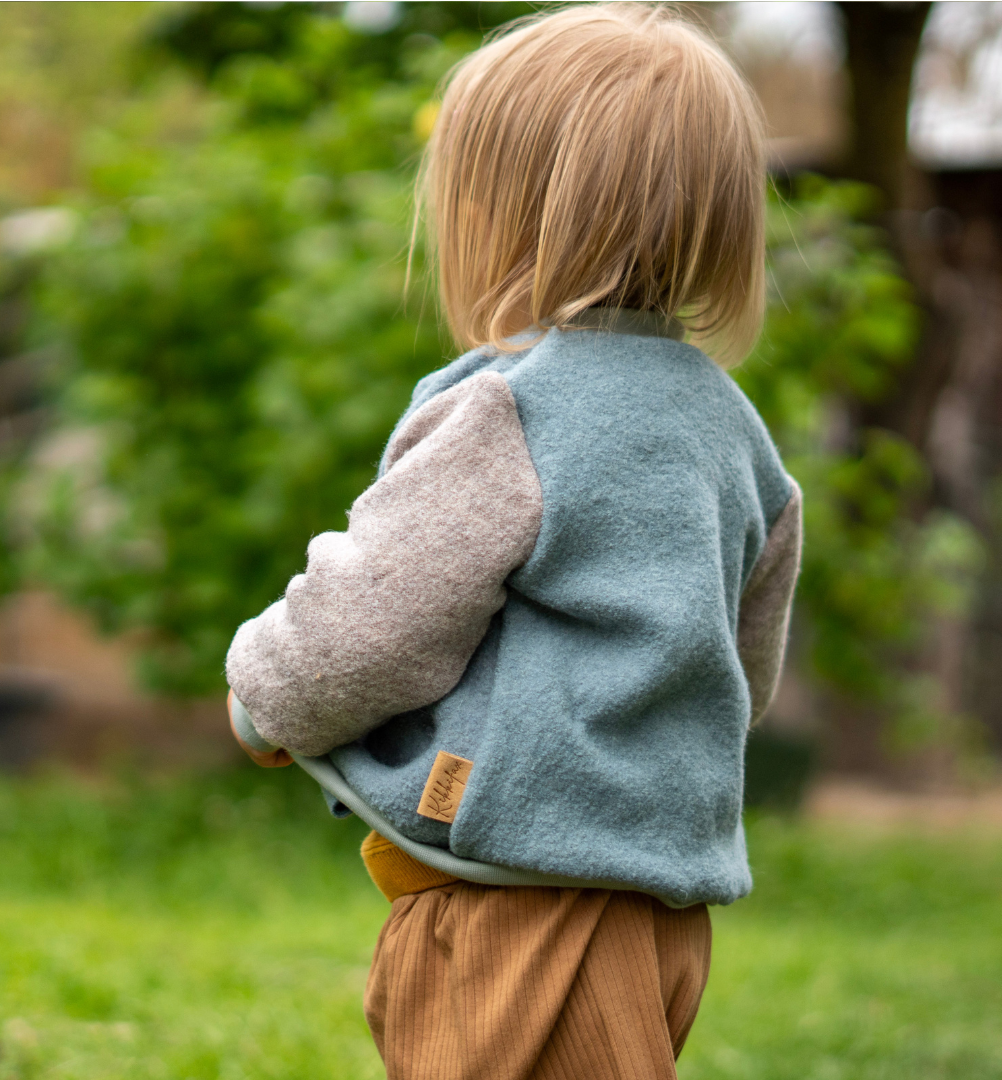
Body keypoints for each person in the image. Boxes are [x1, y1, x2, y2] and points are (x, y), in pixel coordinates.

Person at [226, 5, 802, 1078]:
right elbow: (744, 667)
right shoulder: (734, 434)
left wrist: (266, 693)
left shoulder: (513, 409)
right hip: (662, 911)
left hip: (515, 910)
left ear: (499, 214)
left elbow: (373, 619)